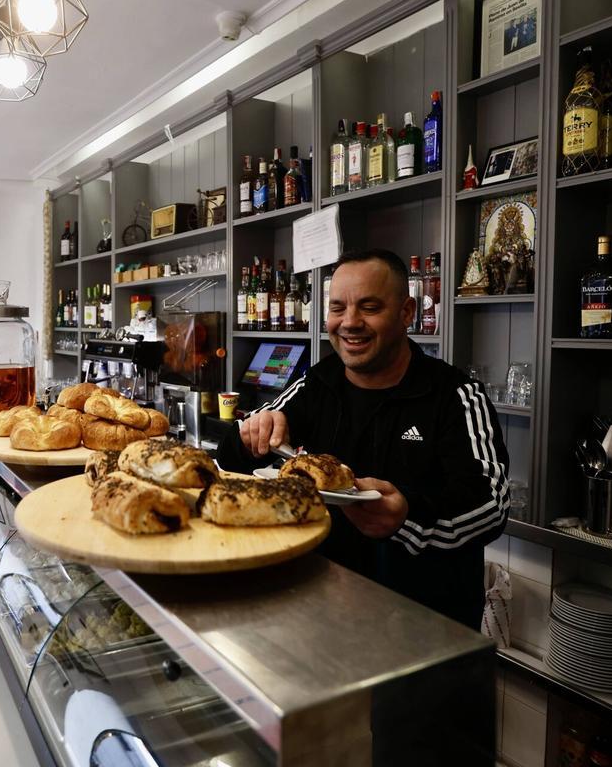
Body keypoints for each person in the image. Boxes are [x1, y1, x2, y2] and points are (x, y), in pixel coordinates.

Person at [217, 249, 509, 628]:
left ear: (406, 312)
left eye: (369, 307)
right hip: (321, 611)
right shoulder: (316, 384)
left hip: (426, 627)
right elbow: (230, 458)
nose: (349, 323)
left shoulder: (455, 395)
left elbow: (493, 505)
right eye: (338, 308)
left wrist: (408, 516)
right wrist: (251, 433)